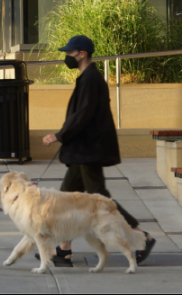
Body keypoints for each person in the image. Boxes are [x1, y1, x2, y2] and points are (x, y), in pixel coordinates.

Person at [40, 35, 156, 267]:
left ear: (82, 53)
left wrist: (59, 136)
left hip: (88, 151)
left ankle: (142, 237)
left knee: (100, 200)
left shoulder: (92, 79)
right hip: (82, 151)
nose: (67, 57)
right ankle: (64, 251)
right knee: (67, 200)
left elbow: (83, 115)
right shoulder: (87, 78)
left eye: (70, 52)